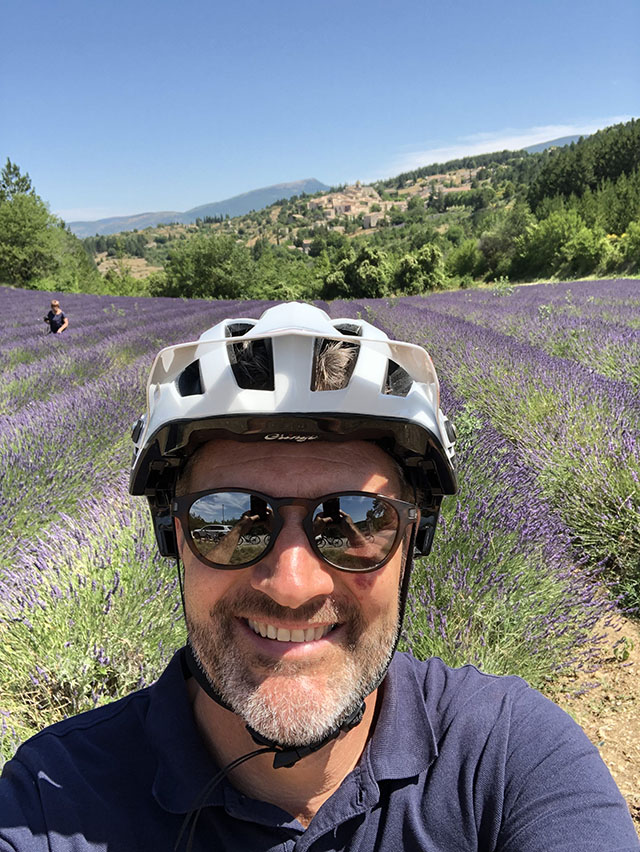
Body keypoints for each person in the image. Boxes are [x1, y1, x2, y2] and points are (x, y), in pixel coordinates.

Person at [1, 303, 638, 851]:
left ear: (415, 539)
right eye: (231, 519)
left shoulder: (508, 757)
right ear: (172, 536)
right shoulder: (53, 802)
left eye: (354, 520)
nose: (292, 584)